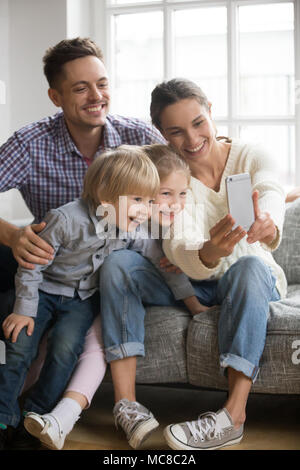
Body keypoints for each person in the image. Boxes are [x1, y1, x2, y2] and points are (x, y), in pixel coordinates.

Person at [0, 36, 164, 448]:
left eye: (103, 84)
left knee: (68, 340)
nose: (97, 96)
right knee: (18, 329)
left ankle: (36, 412)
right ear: (56, 96)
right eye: (80, 88)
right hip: (43, 260)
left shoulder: (137, 136)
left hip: (101, 273)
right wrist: (12, 234)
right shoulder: (30, 143)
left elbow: (190, 172)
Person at [22, 144, 209, 450]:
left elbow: (174, 268)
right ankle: (50, 416)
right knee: (76, 339)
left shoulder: (174, 223)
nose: (172, 204)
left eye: (181, 193)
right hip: (110, 293)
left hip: (149, 288)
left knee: (91, 331)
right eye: (162, 194)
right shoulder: (118, 220)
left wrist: (193, 304)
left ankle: (63, 415)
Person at [149, 78, 287, 450]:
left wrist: (268, 219)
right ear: (162, 134)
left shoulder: (251, 155)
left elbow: (271, 188)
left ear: (211, 113)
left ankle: (233, 415)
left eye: (198, 123)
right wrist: (208, 252)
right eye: (175, 131)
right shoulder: (171, 182)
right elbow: (178, 244)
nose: (191, 139)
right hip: (204, 281)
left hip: (254, 275)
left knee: (249, 268)